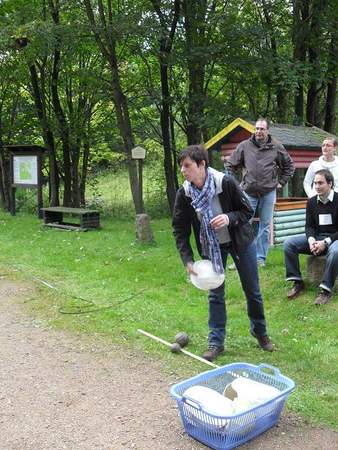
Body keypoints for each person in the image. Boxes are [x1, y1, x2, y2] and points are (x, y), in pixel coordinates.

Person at [172, 144, 273, 362]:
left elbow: (247, 211)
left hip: (240, 241)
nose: (183, 170)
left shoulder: (224, 182)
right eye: (181, 166)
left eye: (187, 165)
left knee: (252, 290)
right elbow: (179, 229)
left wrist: (229, 218)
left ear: (202, 165)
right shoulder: (185, 193)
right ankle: (216, 342)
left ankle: (260, 332)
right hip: (212, 246)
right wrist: (188, 259)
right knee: (215, 293)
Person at [225, 118, 295, 266]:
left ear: (267, 130)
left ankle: (260, 258)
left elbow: (289, 165)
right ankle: (242, 257)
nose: (258, 132)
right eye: (256, 128)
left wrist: (281, 182)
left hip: (269, 192)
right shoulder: (244, 146)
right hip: (248, 192)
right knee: (243, 225)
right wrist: (234, 185)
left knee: (265, 226)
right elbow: (230, 164)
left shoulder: (276, 146)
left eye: (262, 129)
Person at [284, 169, 338, 305]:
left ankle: (326, 290)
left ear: (330, 183)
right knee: (289, 243)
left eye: (321, 183)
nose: (317, 186)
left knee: (335, 251)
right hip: (317, 237)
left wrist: (325, 242)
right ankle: (297, 282)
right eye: (315, 183)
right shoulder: (312, 202)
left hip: (334, 239)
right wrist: (311, 241)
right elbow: (309, 226)